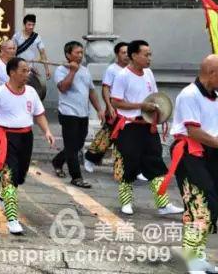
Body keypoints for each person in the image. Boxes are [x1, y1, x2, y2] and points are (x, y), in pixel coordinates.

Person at [0, 57, 55, 235]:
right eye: (23, 70)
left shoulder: (31, 92)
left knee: (19, 176)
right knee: (9, 175)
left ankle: (3, 195)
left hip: (26, 137)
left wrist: (47, 131)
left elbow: (39, 114)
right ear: (12, 72)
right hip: (5, 138)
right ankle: (12, 219)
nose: (27, 74)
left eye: (28, 70)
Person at [159, 55, 218, 272]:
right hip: (191, 153)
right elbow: (194, 131)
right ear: (212, 73)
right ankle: (192, 259)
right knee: (197, 205)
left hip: (211, 154)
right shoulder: (189, 94)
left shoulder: (215, 95)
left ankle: (199, 256)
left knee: (211, 205)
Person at [110, 40, 183, 216]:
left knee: (155, 163)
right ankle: (126, 203)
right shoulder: (123, 76)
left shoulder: (149, 73)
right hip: (130, 126)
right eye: (146, 54)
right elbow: (115, 101)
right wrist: (142, 105)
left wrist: (159, 112)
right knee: (129, 164)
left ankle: (163, 204)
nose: (149, 58)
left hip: (148, 126)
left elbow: (155, 97)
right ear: (134, 56)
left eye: (150, 54)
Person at [51, 41, 104, 189]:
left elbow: (91, 91)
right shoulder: (61, 70)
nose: (80, 56)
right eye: (77, 53)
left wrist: (99, 109)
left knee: (77, 144)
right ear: (68, 55)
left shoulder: (85, 70)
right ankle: (76, 177)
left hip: (83, 113)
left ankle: (57, 161)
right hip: (68, 113)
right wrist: (72, 72)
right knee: (72, 146)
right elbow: (63, 88)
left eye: (81, 53)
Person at [84, 42, 132, 173]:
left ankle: (128, 168)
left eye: (128, 52)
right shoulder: (112, 69)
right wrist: (109, 106)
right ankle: (90, 158)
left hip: (130, 110)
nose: (126, 55)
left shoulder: (134, 69)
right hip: (115, 109)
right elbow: (105, 88)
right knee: (106, 136)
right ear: (117, 54)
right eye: (123, 53)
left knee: (129, 140)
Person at [13, 14, 50, 80]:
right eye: (29, 25)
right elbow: (12, 54)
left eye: (33, 25)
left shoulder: (37, 37)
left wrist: (47, 70)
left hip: (31, 70)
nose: (31, 27)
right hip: (18, 69)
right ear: (24, 25)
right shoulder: (16, 36)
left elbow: (43, 54)